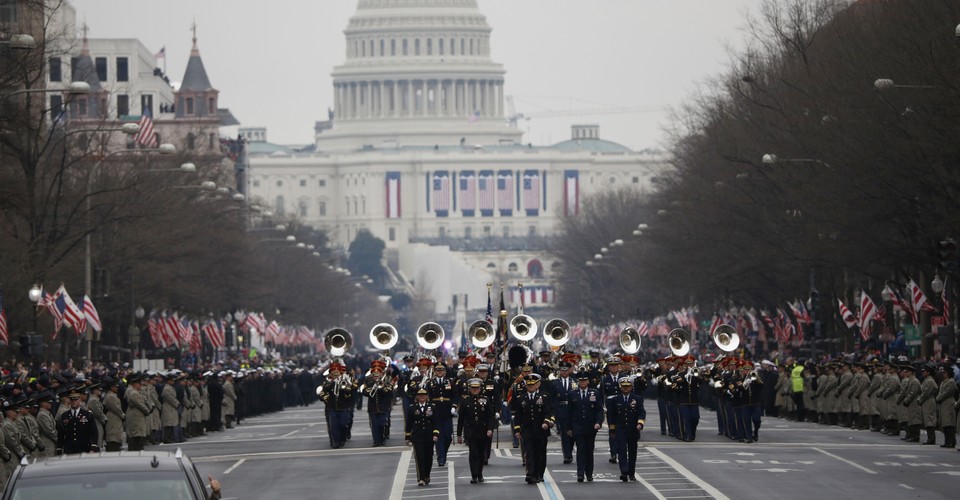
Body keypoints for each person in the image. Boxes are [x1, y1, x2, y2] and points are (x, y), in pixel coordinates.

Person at [510, 372, 554, 484]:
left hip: (541, 430)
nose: (531, 387)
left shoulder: (544, 397)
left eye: (533, 384)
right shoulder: (521, 398)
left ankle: (539, 473)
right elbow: (518, 416)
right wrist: (517, 430)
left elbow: (549, 412)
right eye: (528, 385)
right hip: (527, 430)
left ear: (538, 384)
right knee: (529, 452)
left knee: (540, 453)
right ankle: (531, 474)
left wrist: (546, 422)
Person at [457, 378, 496, 484]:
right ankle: (474, 475)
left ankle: (480, 473)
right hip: (470, 431)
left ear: (480, 389)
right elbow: (461, 419)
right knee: (473, 453)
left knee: (481, 453)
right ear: (469, 389)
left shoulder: (485, 400)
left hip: (483, 430)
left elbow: (490, 416)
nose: (475, 390)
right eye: (473, 388)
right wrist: (459, 434)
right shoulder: (465, 401)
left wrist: (490, 429)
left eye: (477, 388)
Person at [606, 377, 645, 482]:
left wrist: (640, 424)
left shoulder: (637, 399)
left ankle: (631, 473)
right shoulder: (615, 400)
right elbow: (611, 416)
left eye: (628, 386)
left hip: (633, 430)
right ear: (620, 387)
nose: (626, 389)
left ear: (631, 387)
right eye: (623, 386)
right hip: (620, 430)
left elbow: (642, 413)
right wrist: (612, 430)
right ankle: (624, 472)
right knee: (621, 451)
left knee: (632, 453)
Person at [567, 370, 603, 482]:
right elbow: (569, 412)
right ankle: (580, 473)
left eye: (585, 380)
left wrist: (598, 422)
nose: (582, 382)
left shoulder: (594, 393)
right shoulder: (572, 394)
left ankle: (589, 473)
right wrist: (568, 428)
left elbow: (599, 410)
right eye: (581, 380)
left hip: (591, 426)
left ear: (588, 381)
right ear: (578, 382)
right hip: (577, 426)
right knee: (580, 449)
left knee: (589, 450)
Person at [406, 388, 439, 487]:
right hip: (417, 436)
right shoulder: (412, 407)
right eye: (420, 395)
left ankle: (427, 475)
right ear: (417, 396)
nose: (422, 397)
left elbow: (435, 422)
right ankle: (421, 478)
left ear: (426, 396)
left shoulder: (432, 407)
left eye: (424, 395)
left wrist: (435, 434)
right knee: (420, 457)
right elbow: (409, 423)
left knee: (428, 457)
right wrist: (407, 436)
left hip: (429, 436)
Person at [426, 363, 456, 466]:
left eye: (441, 370)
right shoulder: (430, 383)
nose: (440, 372)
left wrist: (454, 406)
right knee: (438, 436)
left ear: (445, 371)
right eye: (438, 370)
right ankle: (441, 457)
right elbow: (427, 396)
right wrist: (429, 408)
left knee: (448, 437)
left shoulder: (450, 382)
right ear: (434, 371)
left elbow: (455, 396)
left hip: (447, 411)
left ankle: (444, 452)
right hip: (436, 412)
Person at [55, 390, 99, 454]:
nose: (74, 402)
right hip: (69, 449)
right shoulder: (64, 416)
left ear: (80, 400)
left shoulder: (87, 415)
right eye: (72, 400)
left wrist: (93, 446)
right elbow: (61, 434)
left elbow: (94, 432)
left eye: (76, 400)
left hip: (84, 448)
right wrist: (59, 448)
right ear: (69, 401)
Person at [361, 360, 394, 447]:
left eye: (377, 375)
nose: (376, 377)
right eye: (374, 375)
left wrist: (382, 387)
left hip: (383, 406)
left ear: (381, 374)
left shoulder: (386, 381)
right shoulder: (368, 381)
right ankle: (376, 441)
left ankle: (382, 439)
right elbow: (364, 391)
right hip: (372, 407)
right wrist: (372, 388)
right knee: (374, 425)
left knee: (382, 424)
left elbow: (390, 392)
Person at [102, 378, 125, 452]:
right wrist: (123, 415)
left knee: (116, 433)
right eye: (116, 387)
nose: (117, 388)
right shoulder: (110, 396)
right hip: (113, 417)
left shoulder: (112, 395)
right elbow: (116, 408)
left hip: (115, 417)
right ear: (111, 387)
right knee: (113, 435)